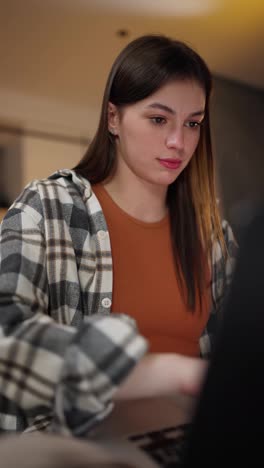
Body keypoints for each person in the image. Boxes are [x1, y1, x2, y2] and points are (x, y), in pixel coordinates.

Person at [0, 35, 237, 436]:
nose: (179, 142)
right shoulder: (49, 207)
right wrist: (156, 371)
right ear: (113, 118)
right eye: (159, 119)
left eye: (193, 123)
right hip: (86, 449)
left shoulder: (214, 234)